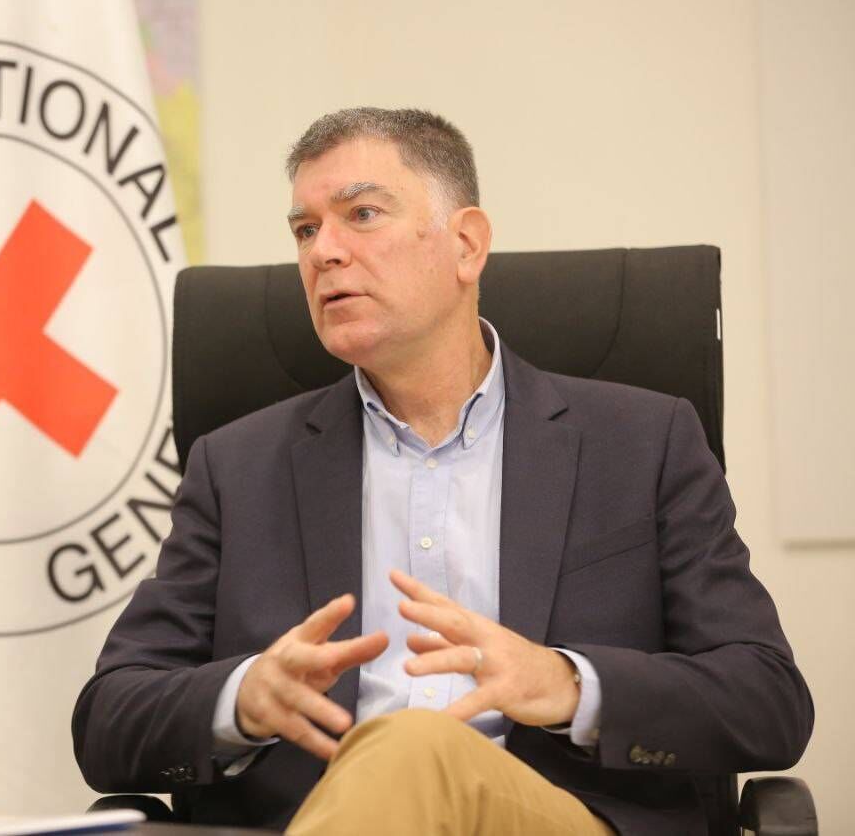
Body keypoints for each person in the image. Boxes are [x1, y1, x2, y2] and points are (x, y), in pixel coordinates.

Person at [72, 108, 812, 834]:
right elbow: (108, 721)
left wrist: (566, 683)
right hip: (314, 815)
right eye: (304, 230)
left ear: (466, 244)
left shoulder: (643, 443)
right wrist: (240, 699)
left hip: (550, 817)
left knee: (413, 745)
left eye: (361, 214)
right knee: (402, 748)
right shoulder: (236, 467)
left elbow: (767, 701)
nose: (323, 252)